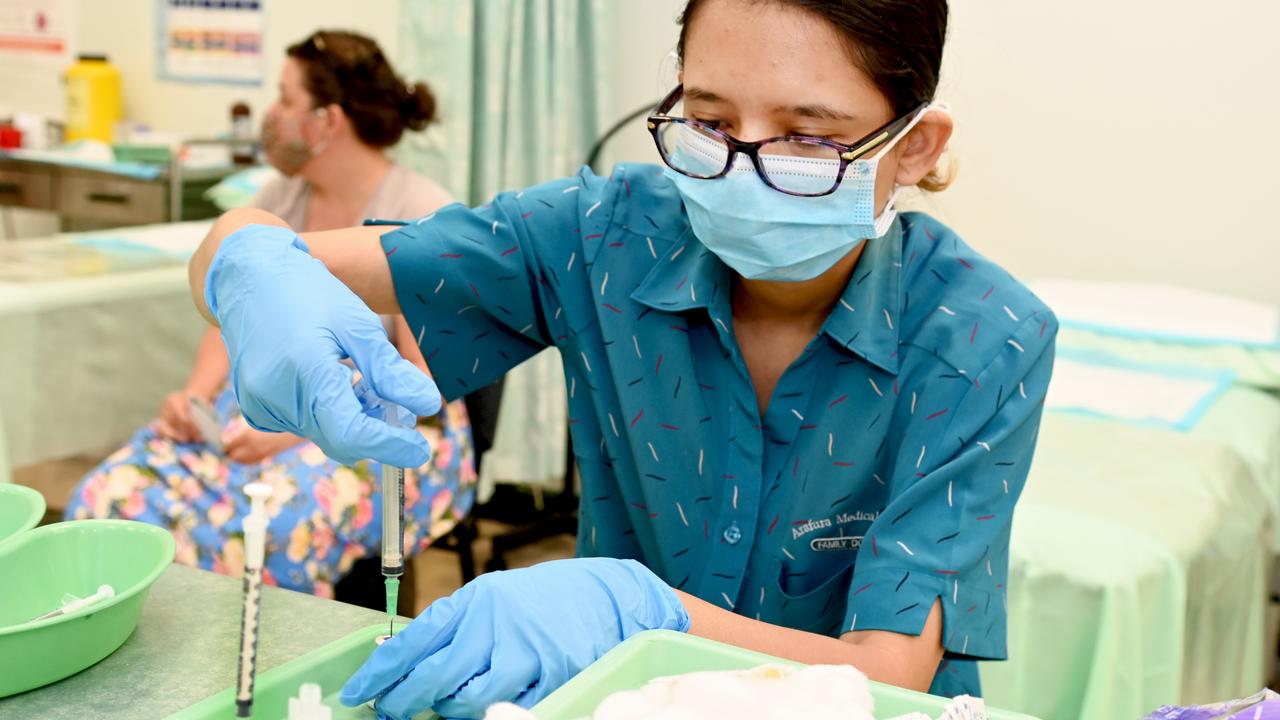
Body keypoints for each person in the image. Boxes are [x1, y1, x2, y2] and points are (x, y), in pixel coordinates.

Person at [188, 1, 1057, 717]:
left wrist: (644, 613)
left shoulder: (984, 335)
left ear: (912, 146)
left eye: (807, 140)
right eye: (710, 122)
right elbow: (265, 249)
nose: (738, 169)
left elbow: (887, 671)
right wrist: (244, 267)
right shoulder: (604, 236)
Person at [65, 30, 477, 599]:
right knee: (108, 494)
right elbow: (233, 317)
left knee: (271, 529)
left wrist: (295, 432)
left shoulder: (421, 213)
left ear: (326, 121)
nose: (271, 116)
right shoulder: (280, 198)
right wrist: (197, 397)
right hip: (268, 403)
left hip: (390, 419)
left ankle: (277, 665)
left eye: (285, 99)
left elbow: (420, 383)